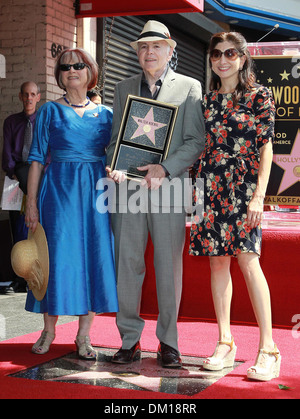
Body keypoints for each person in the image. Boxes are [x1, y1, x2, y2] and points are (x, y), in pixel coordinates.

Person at [106, 20, 205, 368]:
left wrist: (166, 168)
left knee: (168, 267)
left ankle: (169, 342)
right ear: (137, 52)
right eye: (143, 47)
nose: (150, 53)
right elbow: (116, 139)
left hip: (170, 188)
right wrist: (114, 164)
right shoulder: (122, 87)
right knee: (127, 265)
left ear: (170, 49)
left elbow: (196, 141)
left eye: (156, 46)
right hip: (128, 189)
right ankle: (129, 340)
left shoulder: (190, 87)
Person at [189, 32, 280, 381]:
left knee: (248, 260)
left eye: (230, 53)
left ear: (242, 59)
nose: (222, 60)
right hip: (208, 188)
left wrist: (260, 195)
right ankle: (225, 342)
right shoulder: (206, 101)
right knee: (217, 264)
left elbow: (265, 149)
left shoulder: (259, 96)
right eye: (216, 54)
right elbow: (195, 145)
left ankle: (269, 348)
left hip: (243, 189)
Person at [25, 48, 119, 359]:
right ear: (60, 77)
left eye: (78, 65)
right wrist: (31, 204)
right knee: (54, 260)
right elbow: (37, 160)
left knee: (93, 257)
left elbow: (120, 156)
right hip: (58, 194)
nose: (71, 70)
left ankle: (84, 337)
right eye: (65, 67)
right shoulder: (49, 111)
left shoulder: (107, 115)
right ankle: (49, 330)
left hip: (95, 194)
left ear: (90, 72)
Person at [2, 81, 41, 292]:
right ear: (20, 96)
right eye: (25, 94)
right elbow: (6, 153)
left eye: (32, 94)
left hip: (38, 173)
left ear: (38, 97)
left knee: (36, 225)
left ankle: (36, 273)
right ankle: (19, 278)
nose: (28, 98)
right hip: (16, 176)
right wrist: (14, 172)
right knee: (17, 226)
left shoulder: (44, 122)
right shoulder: (11, 122)